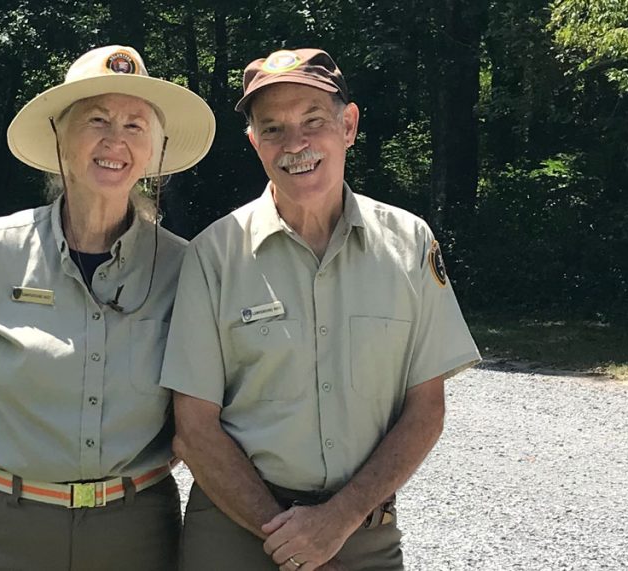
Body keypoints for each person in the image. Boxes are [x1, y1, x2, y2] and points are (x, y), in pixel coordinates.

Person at [160, 48, 480, 571]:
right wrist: (291, 540)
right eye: (273, 129)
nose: (296, 144)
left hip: (361, 535)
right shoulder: (213, 255)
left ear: (348, 125)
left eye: (314, 120)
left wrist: (337, 520)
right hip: (233, 535)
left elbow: (427, 410)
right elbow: (193, 429)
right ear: (253, 143)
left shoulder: (409, 243)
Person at [0, 45, 215, 571]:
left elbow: (203, 416)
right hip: (6, 530)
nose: (115, 139)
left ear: (155, 151)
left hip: (138, 534)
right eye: (97, 119)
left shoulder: (185, 268)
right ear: (60, 137)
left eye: (136, 125)